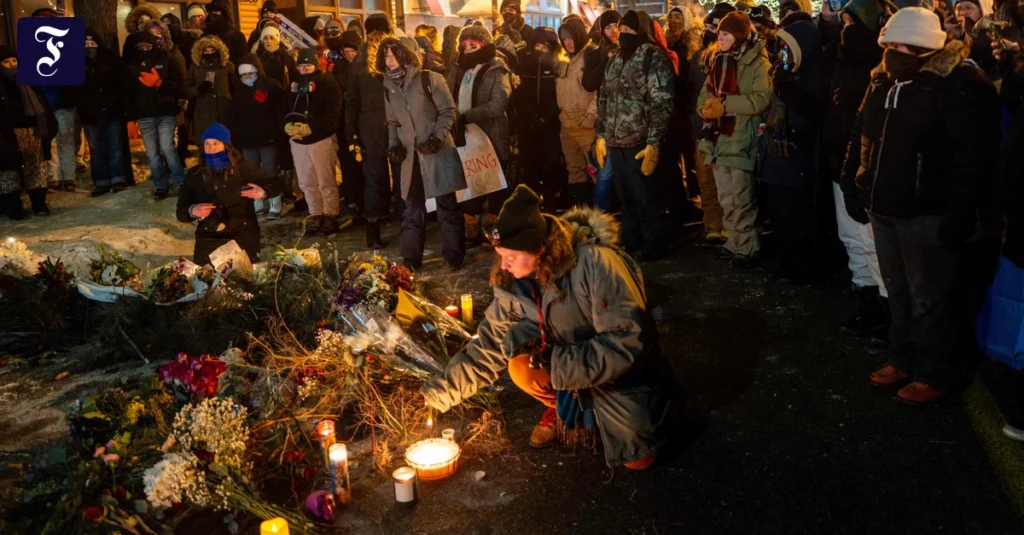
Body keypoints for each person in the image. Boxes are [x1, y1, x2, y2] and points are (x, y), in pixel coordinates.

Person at [421, 185, 673, 469]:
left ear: (538, 249)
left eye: (511, 257)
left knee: (638, 460)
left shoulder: (596, 264)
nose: (503, 266)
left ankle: (648, 407)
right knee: (521, 365)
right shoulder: (515, 284)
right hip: (568, 366)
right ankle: (569, 409)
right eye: (500, 255)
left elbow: (627, 342)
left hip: (620, 374)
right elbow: (488, 345)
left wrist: (558, 365)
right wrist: (439, 393)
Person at [842, 7, 1001, 405]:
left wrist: (960, 211)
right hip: (883, 206)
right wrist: (853, 182)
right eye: (889, 44)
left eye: (902, 46)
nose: (892, 52)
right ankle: (902, 358)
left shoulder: (956, 83)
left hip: (927, 212)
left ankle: (935, 372)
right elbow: (861, 133)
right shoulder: (882, 80)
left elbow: (972, 156)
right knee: (897, 291)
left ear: (925, 47)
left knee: (930, 297)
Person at [828, 0, 890, 337]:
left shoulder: (882, 68)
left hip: (867, 168)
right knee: (851, 237)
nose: (846, 30)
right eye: (844, 23)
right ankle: (866, 301)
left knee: (872, 241)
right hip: (841, 160)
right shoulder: (840, 61)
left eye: (853, 22)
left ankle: (887, 309)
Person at [378, 38, 467, 270]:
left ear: (405, 55)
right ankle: (411, 258)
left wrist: (436, 138)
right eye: (385, 56)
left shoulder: (430, 79)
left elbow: (448, 111)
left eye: (392, 55)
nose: (388, 61)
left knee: (447, 206)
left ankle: (453, 256)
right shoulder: (388, 87)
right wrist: (394, 146)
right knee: (411, 208)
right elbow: (393, 122)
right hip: (411, 158)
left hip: (437, 152)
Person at [596, 11, 675, 261]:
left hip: (640, 141)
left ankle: (654, 243)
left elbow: (662, 103)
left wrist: (654, 142)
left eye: (629, 30)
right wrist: (601, 135)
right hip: (615, 140)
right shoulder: (615, 59)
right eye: (621, 30)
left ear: (640, 31)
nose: (623, 35)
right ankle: (631, 240)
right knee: (625, 196)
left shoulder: (653, 58)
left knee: (646, 196)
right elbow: (604, 97)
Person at [696, 11, 771, 266]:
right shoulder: (718, 61)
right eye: (720, 34)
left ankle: (748, 246)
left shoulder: (758, 63)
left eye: (725, 34)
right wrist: (707, 109)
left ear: (738, 36)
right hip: (719, 139)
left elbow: (762, 99)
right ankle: (733, 242)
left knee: (742, 199)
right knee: (726, 198)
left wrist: (726, 104)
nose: (720, 38)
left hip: (742, 138)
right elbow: (704, 95)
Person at [757, 15, 823, 283]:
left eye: (788, 47)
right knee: (779, 213)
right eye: (781, 46)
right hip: (777, 157)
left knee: (795, 215)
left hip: (797, 158)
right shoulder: (782, 72)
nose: (783, 52)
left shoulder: (812, 77)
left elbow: (812, 114)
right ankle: (784, 260)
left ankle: (799, 265)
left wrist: (789, 89)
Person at [444, 25, 512, 246]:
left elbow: (498, 103)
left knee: (495, 183)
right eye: (464, 46)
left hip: (492, 133)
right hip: (464, 135)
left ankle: (494, 227)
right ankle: (471, 225)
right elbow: (447, 97)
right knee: (470, 180)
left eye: (473, 45)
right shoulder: (458, 70)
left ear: (484, 45)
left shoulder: (497, 69)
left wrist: (469, 116)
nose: (468, 50)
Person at [176, 124, 282, 265]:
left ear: (226, 145)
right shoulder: (195, 174)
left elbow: (277, 183)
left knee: (244, 272)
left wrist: (264, 192)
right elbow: (181, 212)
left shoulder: (242, 168)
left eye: (216, 143)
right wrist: (192, 210)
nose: (211, 148)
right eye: (207, 143)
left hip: (242, 230)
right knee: (205, 275)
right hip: (209, 233)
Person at [346, 13, 398, 248]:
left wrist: (351, 133)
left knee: (374, 177)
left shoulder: (358, 60)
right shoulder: (395, 53)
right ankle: (406, 224)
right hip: (395, 122)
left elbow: (351, 100)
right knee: (401, 174)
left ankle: (373, 230)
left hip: (369, 126)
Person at [689, 4, 735, 245]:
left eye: (713, 27)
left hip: (726, 129)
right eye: (706, 26)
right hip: (702, 128)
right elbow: (691, 90)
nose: (708, 31)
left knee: (727, 182)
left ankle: (729, 226)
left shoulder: (734, 57)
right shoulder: (699, 57)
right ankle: (713, 226)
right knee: (706, 181)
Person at [287, 48, 343, 236]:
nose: (304, 68)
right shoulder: (293, 86)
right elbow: (284, 109)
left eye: (308, 65)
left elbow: (333, 113)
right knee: (306, 181)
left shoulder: (328, 83)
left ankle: (330, 214)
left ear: (316, 65)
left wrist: (312, 128)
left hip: (321, 139)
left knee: (325, 180)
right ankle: (316, 214)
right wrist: (287, 125)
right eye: (301, 65)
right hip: (298, 142)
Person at [126, 32, 187, 199]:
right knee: (152, 153)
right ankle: (160, 185)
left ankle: (180, 181)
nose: (144, 50)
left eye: (147, 46)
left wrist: (161, 83)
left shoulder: (166, 60)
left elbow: (178, 85)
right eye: (141, 47)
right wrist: (130, 118)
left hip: (165, 111)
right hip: (144, 114)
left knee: (168, 148)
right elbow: (129, 93)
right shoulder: (132, 66)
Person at [513, 28, 567, 213]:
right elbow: (517, 94)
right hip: (527, 126)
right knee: (529, 170)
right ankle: (532, 209)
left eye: (545, 47)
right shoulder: (523, 65)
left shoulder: (558, 66)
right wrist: (529, 114)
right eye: (538, 45)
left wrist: (547, 116)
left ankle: (550, 208)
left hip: (551, 126)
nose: (541, 50)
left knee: (551, 168)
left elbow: (560, 95)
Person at [0, 46, 55, 219]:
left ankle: (39, 204)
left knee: (36, 168)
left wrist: (48, 125)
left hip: (32, 130)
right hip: (8, 134)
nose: (12, 64)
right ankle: (14, 207)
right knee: (10, 170)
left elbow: (41, 103)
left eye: (14, 60)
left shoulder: (29, 81)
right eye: (6, 62)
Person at [555, 16, 603, 209]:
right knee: (574, 170)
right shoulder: (564, 60)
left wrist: (590, 116)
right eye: (564, 38)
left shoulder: (591, 55)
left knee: (597, 170)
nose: (568, 42)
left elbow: (599, 89)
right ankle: (583, 210)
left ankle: (602, 212)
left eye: (571, 37)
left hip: (585, 125)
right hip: (567, 125)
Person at [232, 54, 286, 220]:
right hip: (248, 139)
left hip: (268, 137)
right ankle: (256, 202)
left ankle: (275, 202)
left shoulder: (271, 86)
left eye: (251, 73)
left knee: (270, 171)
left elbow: (280, 109)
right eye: (244, 75)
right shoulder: (239, 90)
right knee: (251, 172)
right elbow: (235, 114)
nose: (247, 77)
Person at [78, 29, 128, 196]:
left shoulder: (111, 60)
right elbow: (75, 90)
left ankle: (117, 179)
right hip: (90, 114)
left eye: (92, 43)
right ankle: (101, 182)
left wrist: (116, 103)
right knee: (97, 148)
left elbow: (120, 84)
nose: (89, 47)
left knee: (114, 146)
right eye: (86, 44)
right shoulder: (77, 62)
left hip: (112, 110)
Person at [185, 36, 236, 145]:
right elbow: (186, 89)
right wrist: (198, 89)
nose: (209, 53)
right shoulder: (195, 67)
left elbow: (234, 88)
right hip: (203, 112)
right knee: (205, 143)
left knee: (225, 143)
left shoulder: (227, 66)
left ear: (219, 50)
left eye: (212, 50)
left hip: (223, 111)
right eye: (206, 51)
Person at [205, 0, 248, 65]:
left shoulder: (237, 37)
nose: (212, 16)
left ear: (225, 14)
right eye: (211, 12)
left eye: (216, 12)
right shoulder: (205, 36)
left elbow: (242, 62)